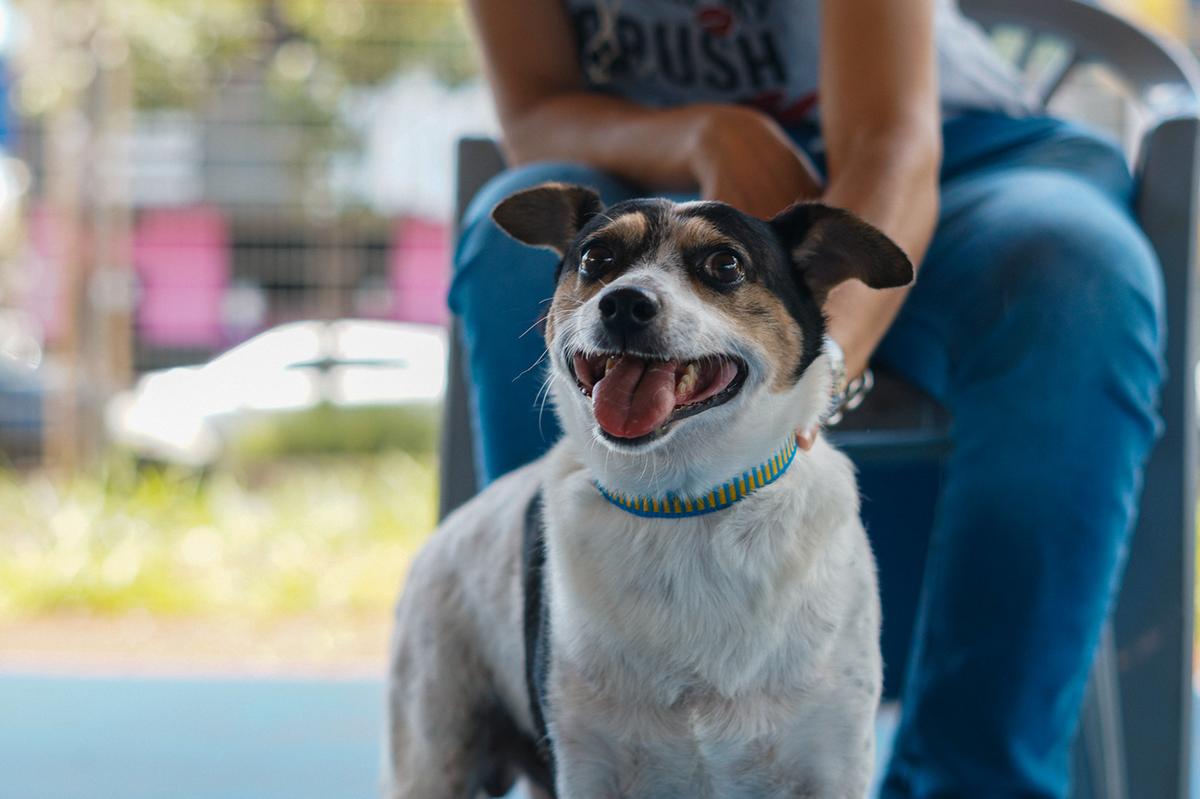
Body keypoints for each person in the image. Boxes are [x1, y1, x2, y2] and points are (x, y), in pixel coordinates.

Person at [450, 1, 1165, 796]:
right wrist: (705, 134)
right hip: (655, 183)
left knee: (1075, 279)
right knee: (509, 256)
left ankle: (976, 779)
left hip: (954, 160)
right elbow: (535, 110)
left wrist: (810, 374)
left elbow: (888, 138)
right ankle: (583, 743)